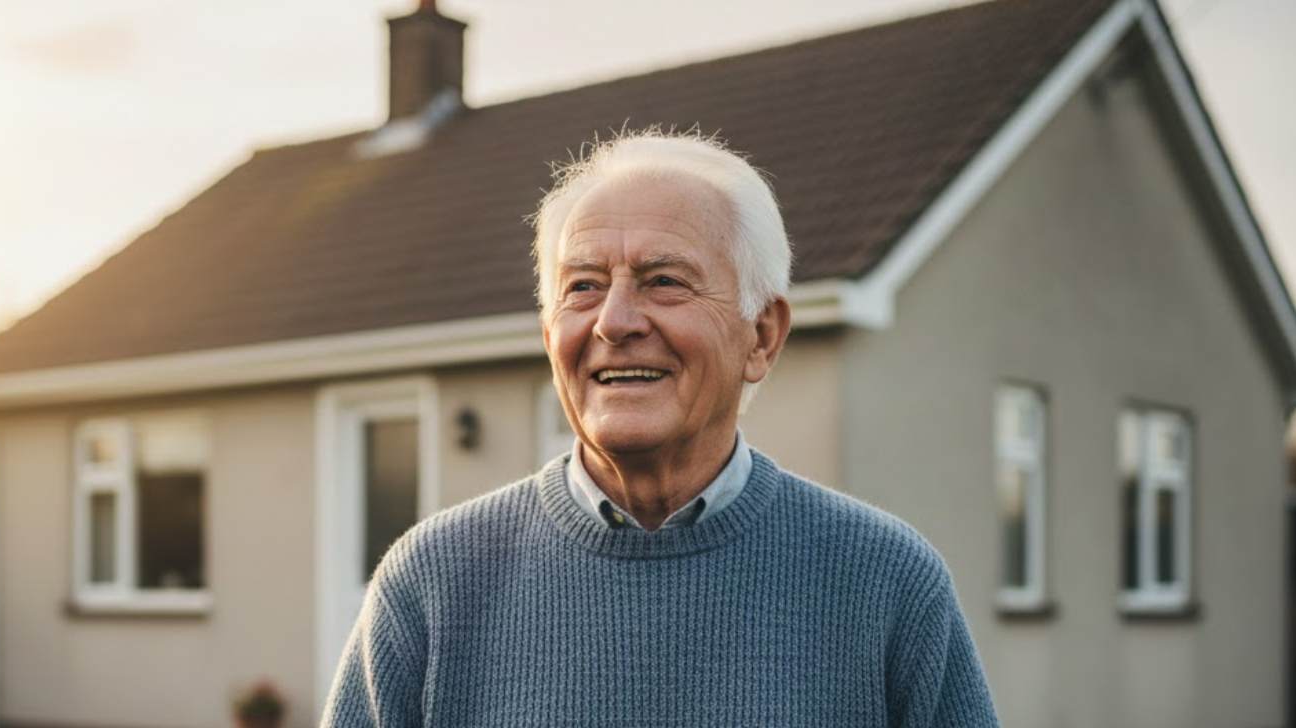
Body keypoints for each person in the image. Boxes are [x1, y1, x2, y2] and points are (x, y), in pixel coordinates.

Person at [319, 130, 1001, 727]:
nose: (614, 322)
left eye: (663, 281)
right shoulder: (433, 582)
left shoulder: (885, 581)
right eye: (582, 285)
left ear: (761, 335)